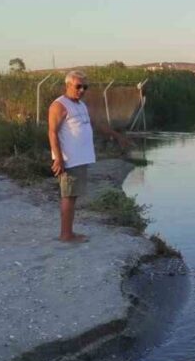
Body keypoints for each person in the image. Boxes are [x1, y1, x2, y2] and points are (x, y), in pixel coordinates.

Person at [48, 70, 133, 242]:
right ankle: (66, 234)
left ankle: (68, 232)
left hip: (80, 159)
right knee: (69, 196)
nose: (82, 90)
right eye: (78, 86)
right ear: (68, 85)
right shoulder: (59, 106)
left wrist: (117, 136)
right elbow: (52, 132)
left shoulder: (80, 105)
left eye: (85, 87)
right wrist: (58, 158)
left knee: (73, 196)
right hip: (69, 159)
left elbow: (96, 124)